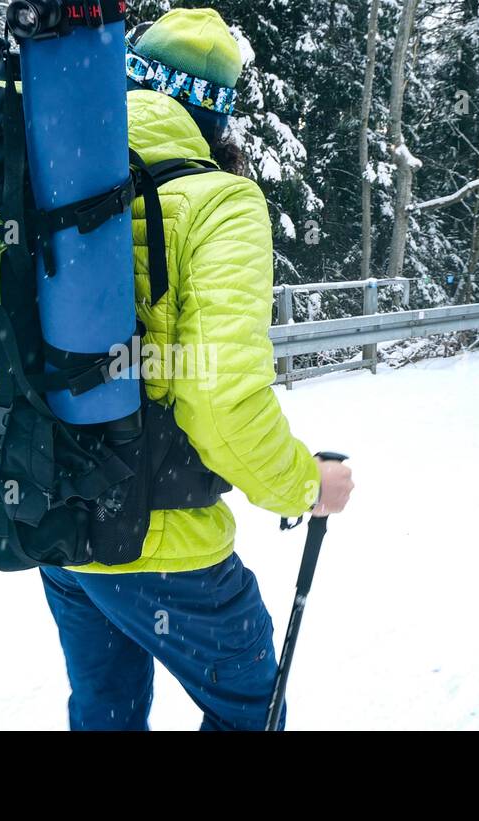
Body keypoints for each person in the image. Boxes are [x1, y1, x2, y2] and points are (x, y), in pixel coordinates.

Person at [36, 7, 354, 731]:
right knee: (249, 710)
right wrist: (307, 484)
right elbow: (220, 402)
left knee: (104, 714)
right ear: (220, 117)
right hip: (163, 543)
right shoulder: (220, 202)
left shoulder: (55, 179)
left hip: (60, 528)